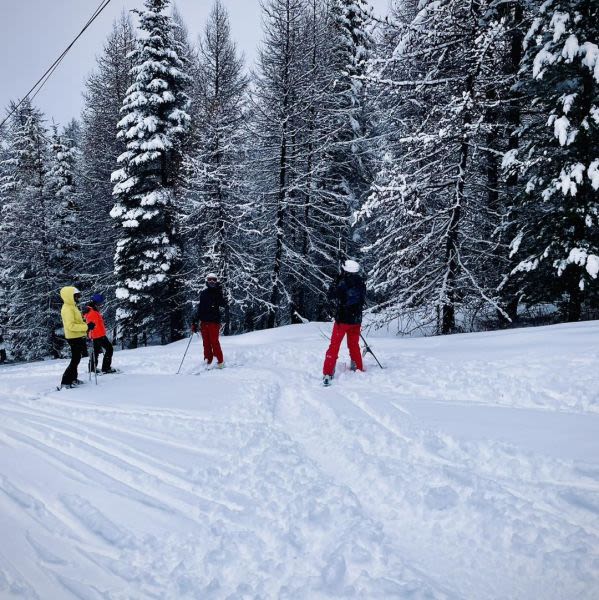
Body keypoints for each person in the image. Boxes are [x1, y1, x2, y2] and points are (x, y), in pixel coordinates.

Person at [322, 259, 367, 386]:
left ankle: (328, 372)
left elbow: (330, 295)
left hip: (342, 321)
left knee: (334, 346)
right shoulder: (361, 283)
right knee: (354, 345)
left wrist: (336, 281)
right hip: (356, 320)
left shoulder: (342, 283)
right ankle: (358, 367)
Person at [60, 286, 94, 388]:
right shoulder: (67, 309)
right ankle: (65, 382)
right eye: (76, 296)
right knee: (75, 359)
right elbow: (70, 326)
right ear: (69, 296)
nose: (78, 298)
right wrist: (86, 327)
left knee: (77, 358)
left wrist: (84, 316)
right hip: (73, 337)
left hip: (78, 336)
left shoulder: (72, 307)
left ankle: (73, 379)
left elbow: (76, 321)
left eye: (78, 296)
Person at [191, 273, 227, 368]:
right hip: (204, 323)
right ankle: (208, 360)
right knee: (206, 343)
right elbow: (200, 308)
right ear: (207, 281)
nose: (212, 282)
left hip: (214, 322)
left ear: (216, 281)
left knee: (214, 342)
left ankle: (220, 361)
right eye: (210, 280)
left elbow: (224, 304)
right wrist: (195, 321)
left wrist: (219, 292)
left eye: (214, 280)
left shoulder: (218, 292)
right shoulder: (203, 293)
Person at [83, 293, 117, 374]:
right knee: (109, 349)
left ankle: (92, 369)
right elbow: (91, 325)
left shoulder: (92, 310)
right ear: (96, 302)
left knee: (96, 352)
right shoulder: (91, 311)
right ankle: (106, 368)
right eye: (100, 303)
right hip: (98, 335)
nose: (101, 304)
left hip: (98, 334)